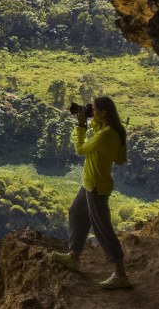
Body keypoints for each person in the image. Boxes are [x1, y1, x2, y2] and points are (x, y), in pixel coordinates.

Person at [55, 95, 132, 290]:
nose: (92, 113)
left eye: (95, 110)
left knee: (102, 228)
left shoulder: (106, 135)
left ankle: (120, 274)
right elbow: (120, 159)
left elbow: (81, 149)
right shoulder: (114, 131)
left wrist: (81, 126)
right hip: (90, 183)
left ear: (103, 113)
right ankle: (74, 256)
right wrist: (94, 122)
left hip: (96, 186)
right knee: (76, 213)